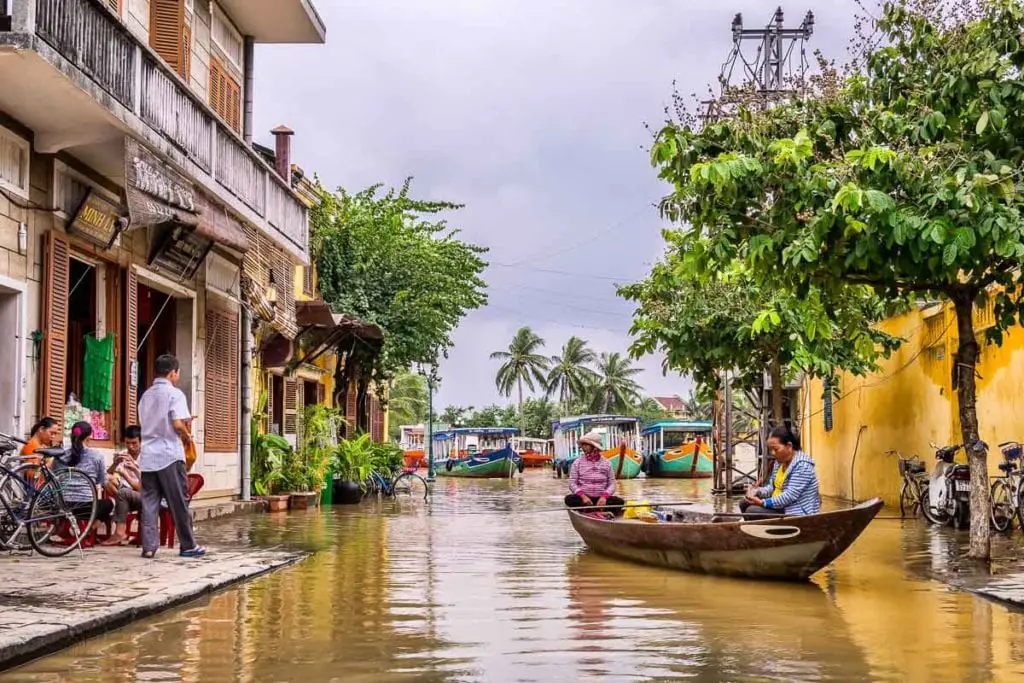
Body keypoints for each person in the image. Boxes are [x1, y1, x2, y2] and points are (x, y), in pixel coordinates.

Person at [138, 354, 205, 558]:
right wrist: (187, 434)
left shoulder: (146, 395)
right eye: (178, 372)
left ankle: (149, 548)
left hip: (148, 455)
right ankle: (188, 545)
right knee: (178, 501)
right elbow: (177, 423)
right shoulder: (175, 394)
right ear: (173, 372)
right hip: (169, 454)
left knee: (149, 503)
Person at [743, 425, 821, 518]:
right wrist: (757, 491)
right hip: (781, 506)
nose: (772, 453)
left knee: (752, 511)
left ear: (789, 446)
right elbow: (772, 488)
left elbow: (790, 496)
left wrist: (763, 502)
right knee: (744, 503)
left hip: (795, 511)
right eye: (770, 450)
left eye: (775, 449)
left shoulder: (802, 466)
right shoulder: (779, 463)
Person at [56, 422, 114, 528]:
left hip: (62, 506)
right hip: (86, 508)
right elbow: (102, 481)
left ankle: (72, 531)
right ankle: (88, 531)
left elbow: (55, 477)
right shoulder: (97, 456)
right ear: (88, 437)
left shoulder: (61, 456)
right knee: (109, 504)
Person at [564, 431, 626, 516]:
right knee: (568, 499)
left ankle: (594, 510)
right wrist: (583, 496)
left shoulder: (606, 463)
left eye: (586, 445)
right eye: (583, 445)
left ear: (594, 447)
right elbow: (572, 483)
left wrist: (604, 497)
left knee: (620, 502)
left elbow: (612, 483)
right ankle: (593, 511)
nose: (583, 447)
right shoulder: (577, 463)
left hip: (601, 500)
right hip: (584, 500)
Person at [101, 424, 143, 546]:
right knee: (107, 481)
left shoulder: (147, 456)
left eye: (134, 443)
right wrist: (115, 464)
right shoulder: (124, 453)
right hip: (125, 492)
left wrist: (131, 468)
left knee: (122, 493)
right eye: (128, 443)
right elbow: (109, 473)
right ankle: (117, 505)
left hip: (142, 494)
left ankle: (119, 532)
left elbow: (141, 488)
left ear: (141, 441)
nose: (130, 447)